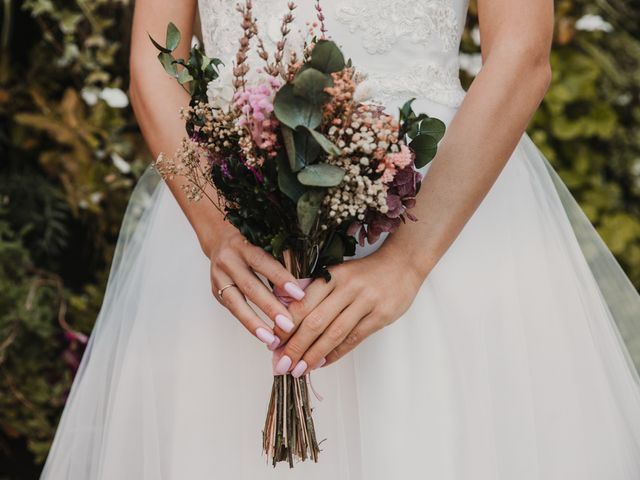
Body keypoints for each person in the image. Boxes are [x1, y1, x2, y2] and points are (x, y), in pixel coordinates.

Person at [41, 0, 640, 478]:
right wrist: (215, 229)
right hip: (233, 225)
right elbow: (157, 58)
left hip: (438, 215)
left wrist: (406, 263)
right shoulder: (216, 228)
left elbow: (522, 53)